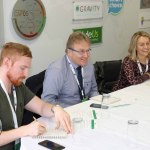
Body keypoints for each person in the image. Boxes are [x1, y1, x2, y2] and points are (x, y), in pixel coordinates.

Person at [0, 42, 72, 150]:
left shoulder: (18, 86)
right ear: (7, 62)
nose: (26, 74)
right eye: (22, 68)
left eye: (28, 68)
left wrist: (56, 109)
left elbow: (41, 107)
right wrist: (25, 130)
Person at [41, 32, 99, 107]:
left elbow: (93, 90)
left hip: (86, 110)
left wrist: (97, 102)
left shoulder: (89, 66)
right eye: (81, 51)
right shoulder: (56, 70)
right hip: (65, 113)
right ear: (69, 52)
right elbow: (47, 101)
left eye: (88, 50)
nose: (86, 55)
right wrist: (73, 109)